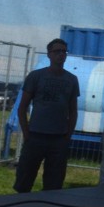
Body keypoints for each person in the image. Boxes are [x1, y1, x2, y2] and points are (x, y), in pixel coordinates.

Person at [14, 38, 81, 193]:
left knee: (54, 185)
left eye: (64, 51)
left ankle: (47, 206)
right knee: (24, 180)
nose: (61, 54)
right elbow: (22, 108)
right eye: (57, 51)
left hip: (58, 139)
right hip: (35, 136)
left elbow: (73, 111)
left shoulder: (72, 80)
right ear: (49, 54)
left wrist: (67, 137)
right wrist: (27, 134)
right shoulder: (36, 76)